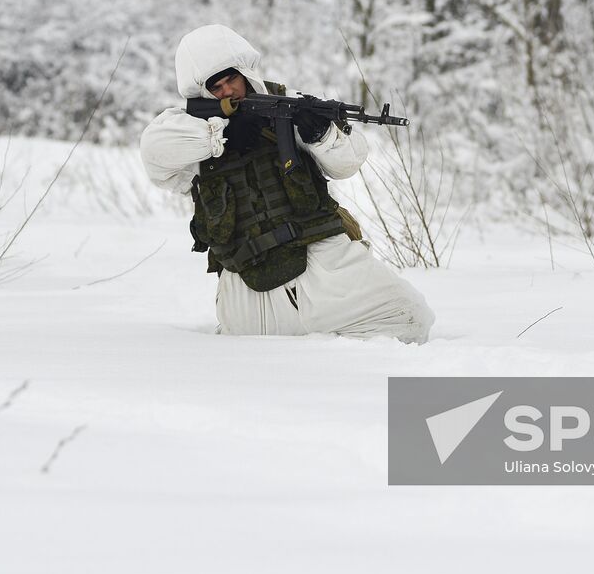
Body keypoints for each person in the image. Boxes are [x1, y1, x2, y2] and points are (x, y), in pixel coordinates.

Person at [139, 24, 434, 344]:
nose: (227, 92)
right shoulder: (188, 129)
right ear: (202, 92)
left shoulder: (285, 105)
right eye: (216, 87)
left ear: (245, 72)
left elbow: (348, 162)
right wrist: (219, 135)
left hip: (322, 265)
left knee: (411, 318)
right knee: (254, 355)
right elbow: (154, 155)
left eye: (231, 79)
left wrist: (321, 135)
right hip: (245, 284)